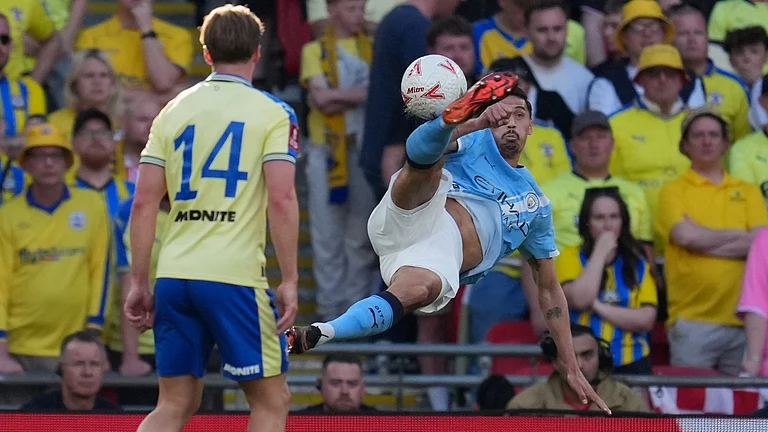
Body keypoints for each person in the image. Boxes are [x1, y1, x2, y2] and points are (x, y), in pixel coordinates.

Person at [288, 72, 610, 413]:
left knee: (415, 292)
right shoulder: (473, 141)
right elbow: (423, 145)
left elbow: (549, 289)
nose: (510, 123)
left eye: (519, 114)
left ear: (531, 125)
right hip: (413, 210)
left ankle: (321, 332)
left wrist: (571, 364)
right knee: (430, 163)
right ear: (489, 118)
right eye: (501, 115)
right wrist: (472, 123)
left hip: (435, 256)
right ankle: (446, 120)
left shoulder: (535, 204)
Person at [123, 5, 300, 432]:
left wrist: (140, 282)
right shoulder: (275, 112)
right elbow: (281, 198)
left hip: (176, 273)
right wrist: (291, 277)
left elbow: (144, 204)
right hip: (233, 275)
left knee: (175, 403)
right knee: (271, 400)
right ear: (258, 52)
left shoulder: (171, 111)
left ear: (206, 53)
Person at [557, 187, 657, 375]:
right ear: (587, 223)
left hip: (632, 361)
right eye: (599, 218)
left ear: (623, 221)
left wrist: (596, 306)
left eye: (614, 217)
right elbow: (580, 299)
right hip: (583, 362)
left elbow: (646, 320)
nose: (608, 225)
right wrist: (601, 252)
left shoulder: (638, 263)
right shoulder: (569, 257)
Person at [506, 323, 649, 412]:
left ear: (600, 357)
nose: (579, 365)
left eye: (587, 355)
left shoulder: (626, 401)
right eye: (569, 358)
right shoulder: (525, 406)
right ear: (555, 362)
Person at [21, 331, 121, 412]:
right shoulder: (35, 414)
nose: (87, 372)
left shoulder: (115, 418)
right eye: (78, 364)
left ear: (104, 369)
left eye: (94, 364)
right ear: (61, 368)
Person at [295, 354, 376, 413]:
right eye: (335, 383)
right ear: (320, 385)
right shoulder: (298, 423)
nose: (344, 391)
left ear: (363, 387)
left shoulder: (381, 423)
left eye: (352, 383)